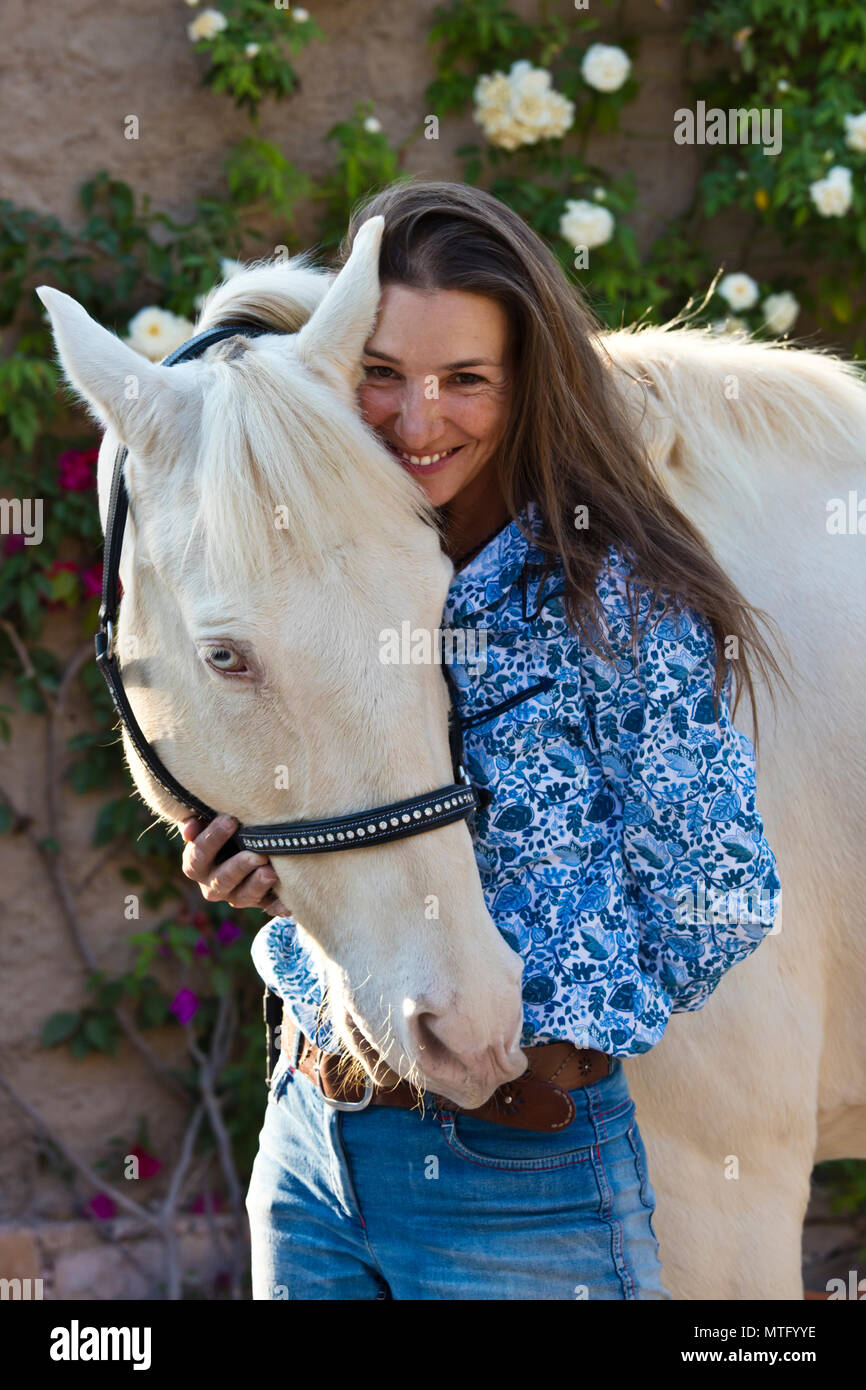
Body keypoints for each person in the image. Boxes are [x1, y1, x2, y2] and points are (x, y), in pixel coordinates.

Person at [179, 180, 783, 1300]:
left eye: (465, 381)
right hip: (311, 1143)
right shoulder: (321, 576)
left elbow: (721, 893)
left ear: (523, 386)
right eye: (381, 374)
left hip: (518, 1182)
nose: (418, 421)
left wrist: (531, 1030)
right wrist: (273, 872)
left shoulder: (611, 598)